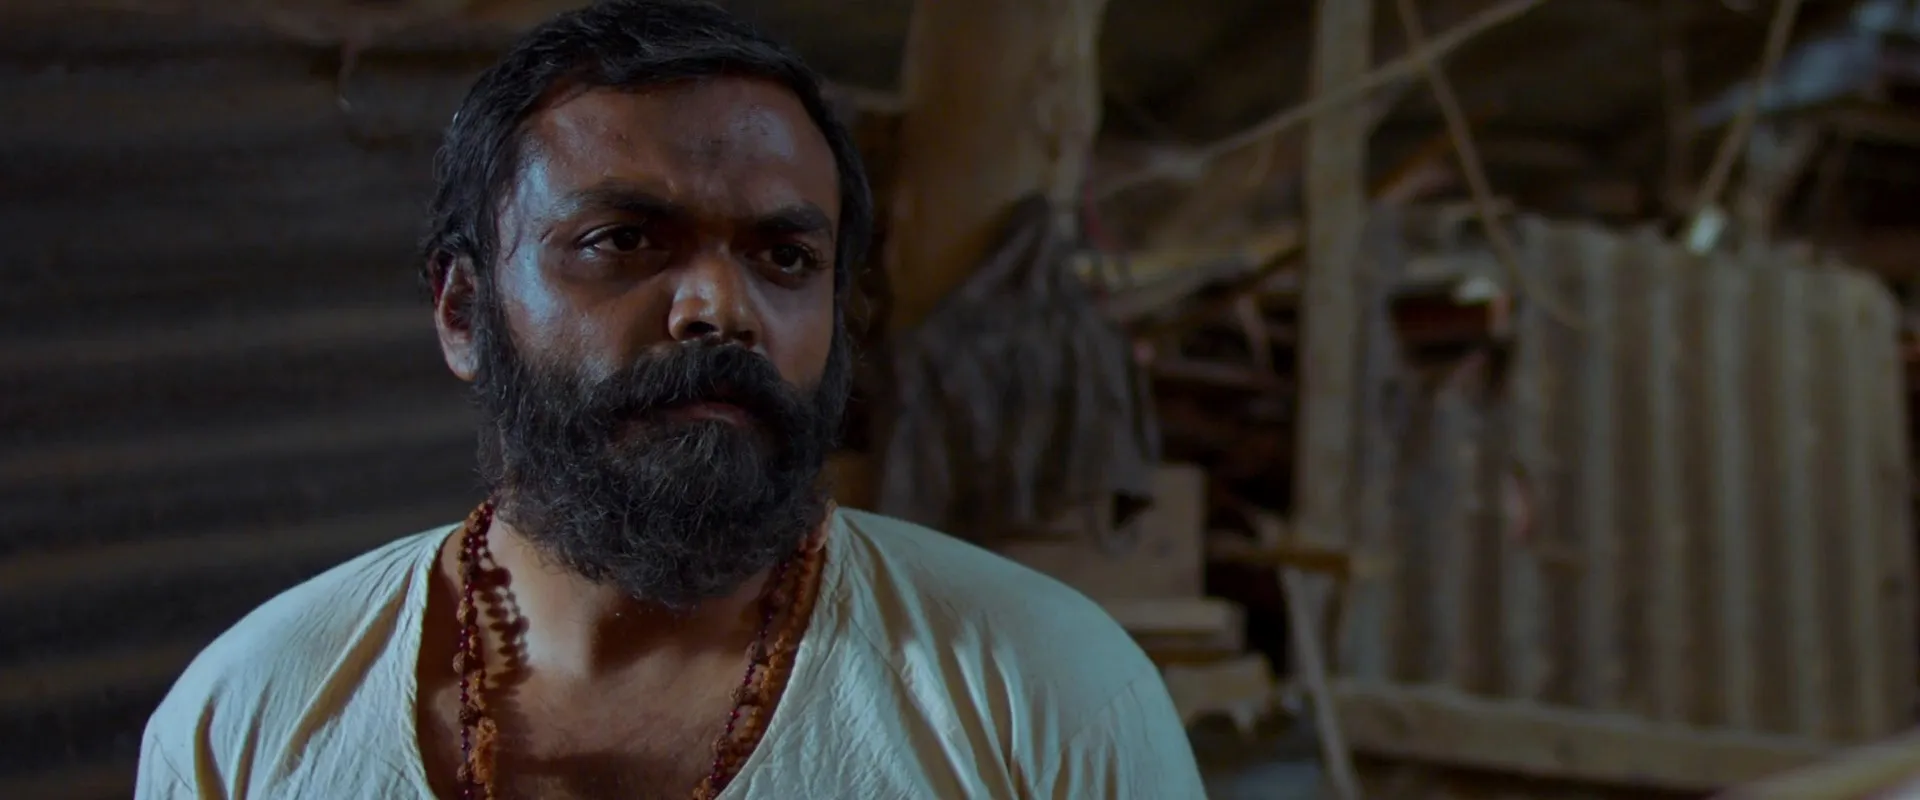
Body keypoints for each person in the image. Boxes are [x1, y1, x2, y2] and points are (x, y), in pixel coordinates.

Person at [134, 1, 1206, 798]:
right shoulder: (254, 718)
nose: (719, 307)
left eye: (785, 257)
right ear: (462, 311)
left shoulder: (1046, 697)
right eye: (622, 241)